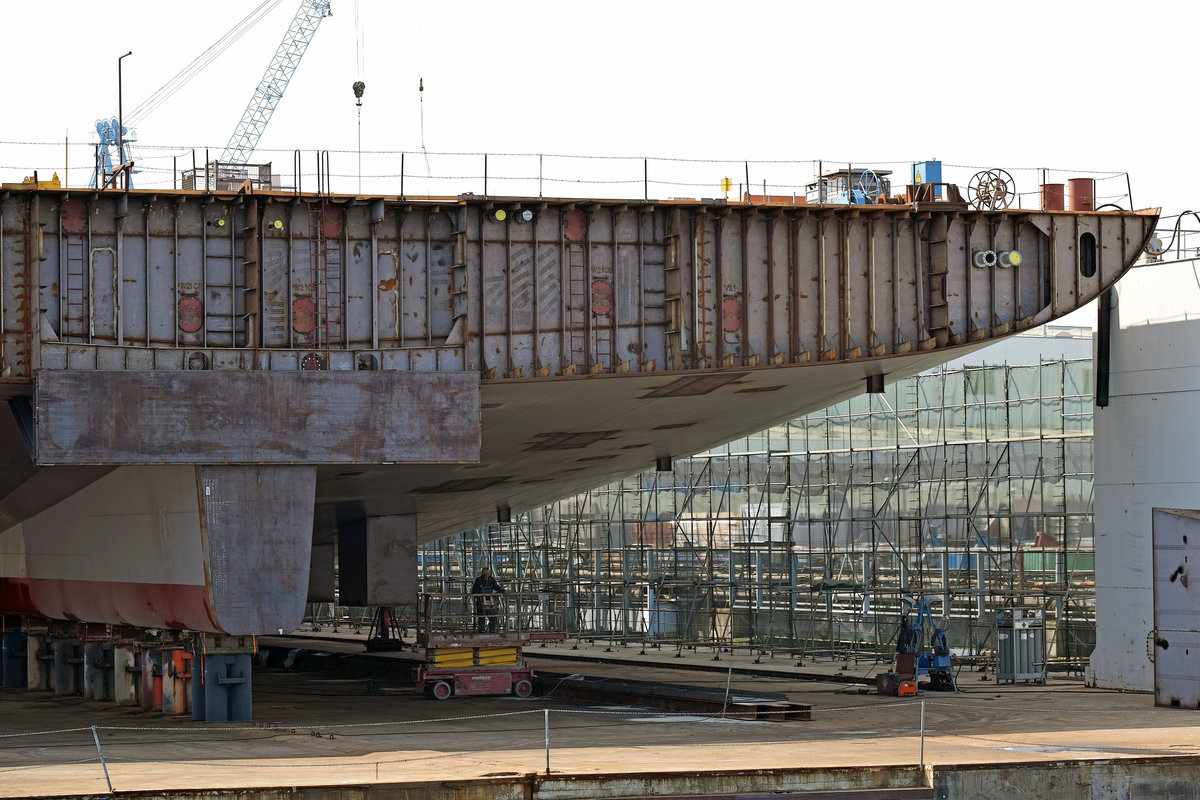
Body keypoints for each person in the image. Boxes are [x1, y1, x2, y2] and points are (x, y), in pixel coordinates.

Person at [471, 566, 505, 633]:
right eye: (484, 574)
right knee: (481, 616)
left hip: (490, 601)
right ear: (482, 574)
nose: (486, 576)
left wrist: (502, 590)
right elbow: (474, 591)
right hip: (481, 601)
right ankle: (482, 630)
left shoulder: (491, 579)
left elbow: (496, 587)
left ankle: (492, 629)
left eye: (487, 574)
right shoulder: (479, 580)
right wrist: (479, 593)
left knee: (492, 615)